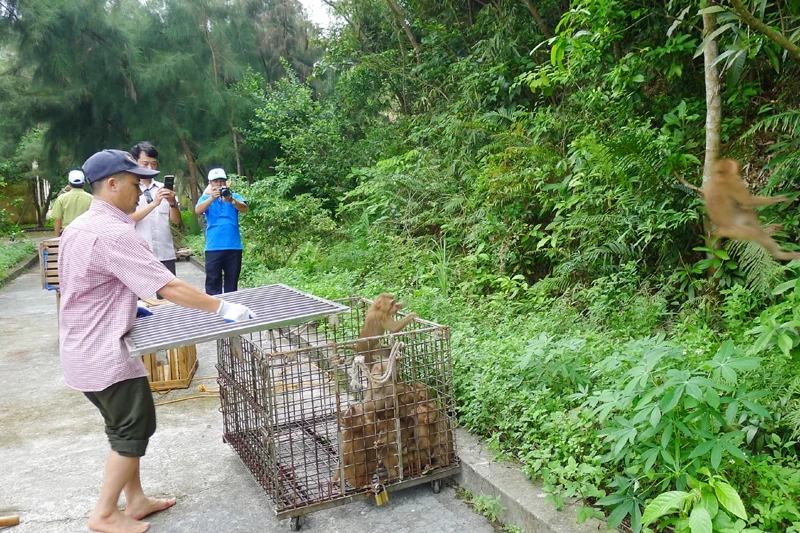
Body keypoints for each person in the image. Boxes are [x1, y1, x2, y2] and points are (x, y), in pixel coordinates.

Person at [58, 149, 254, 533]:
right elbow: (168, 287)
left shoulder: (79, 227)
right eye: (135, 182)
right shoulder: (112, 231)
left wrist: (128, 307)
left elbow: (85, 286)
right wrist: (223, 308)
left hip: (79, 348)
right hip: (104, 353)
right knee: (134, 428)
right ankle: (104, 514)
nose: (142, 188)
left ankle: (135, 500)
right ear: (112, 184)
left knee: (120, 427)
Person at [129, 142, 181, 283]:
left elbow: (176, 221)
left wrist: (172, 203)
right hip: (138, 255)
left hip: (165, 253)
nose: (150, 168)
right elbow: (128, 219)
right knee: (138, 301)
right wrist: (154, 203)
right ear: (134, 162)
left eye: (154, 164)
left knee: (169, 300)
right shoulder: (128, 189)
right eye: (145, 164)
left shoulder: (162, 188)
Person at [194, 167, 248, 295]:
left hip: (233, 247)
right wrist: (211, 198)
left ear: (226, 182)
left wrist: (231, 200)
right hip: (213, 247)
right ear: (210, 183)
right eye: (215, 181)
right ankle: (215, 311)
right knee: (213, 283)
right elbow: (198, 210)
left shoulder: (234, 196)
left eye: (222, 181)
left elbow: (244, 208)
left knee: (232, 284)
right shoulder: (205, 198)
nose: (219, 184)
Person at [51, 168, 93, 236]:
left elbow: (57, 220)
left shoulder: (61, 199)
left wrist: (57, 238)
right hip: (85, 234)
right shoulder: (91, 198)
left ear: (69, 184)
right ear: (84, 184)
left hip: (67, 234)